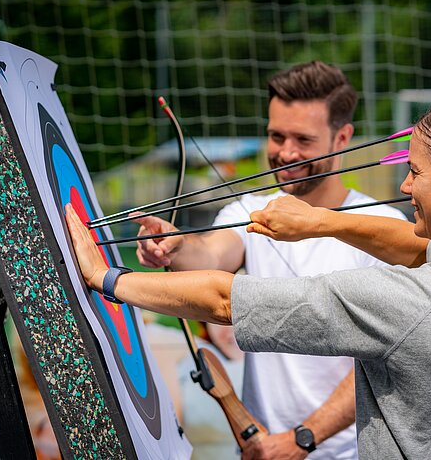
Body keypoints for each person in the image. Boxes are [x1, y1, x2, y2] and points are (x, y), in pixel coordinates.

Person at [66, 93, 431, 459]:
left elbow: (225, 300)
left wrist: (105, 277)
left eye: (416, 171)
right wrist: (319, 223)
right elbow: (426, 250)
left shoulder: (413, 302)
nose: (404, 183)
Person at [131, 60, 406, 459]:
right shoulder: (250, 210)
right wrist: (174, 245)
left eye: (303, 140)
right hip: (261, 449)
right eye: (276, 136)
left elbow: (383, 359)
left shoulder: (381, 227)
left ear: (342, 137)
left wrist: (301, 438)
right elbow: (209, 255)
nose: (286, 153)